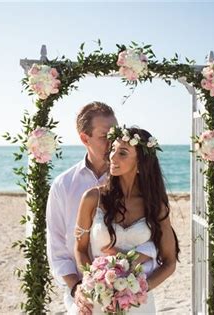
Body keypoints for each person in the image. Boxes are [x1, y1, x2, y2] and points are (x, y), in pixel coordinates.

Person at [46, 102, 157, 314]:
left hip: (130, 296)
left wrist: (134, 264)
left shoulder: (132, 181)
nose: (113, 142)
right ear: (84, 138)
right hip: (83, 297)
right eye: (105, 135)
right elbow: (57, 249)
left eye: (116, 134)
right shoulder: (63, 186)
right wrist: (78, 289)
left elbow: (158, 241)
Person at [74, 126, 180, 314]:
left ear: (141, 163)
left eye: (122, 153)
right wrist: (93, 281)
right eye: (112, 150)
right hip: (98, 299)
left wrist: (138, 289)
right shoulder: (92, 198)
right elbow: (80, 249)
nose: (112, 157)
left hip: (138, 304)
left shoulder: (156, 206)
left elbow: (170, 262)